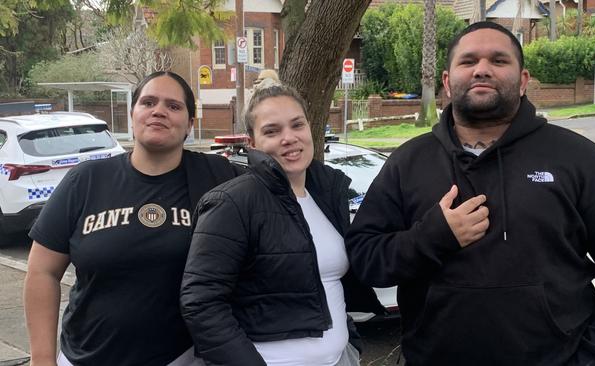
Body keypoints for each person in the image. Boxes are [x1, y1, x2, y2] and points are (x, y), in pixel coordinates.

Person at [345, 21, 595, 366]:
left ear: (523, 81)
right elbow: (365, 259)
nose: (482, 70)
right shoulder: (408, 162)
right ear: (447, 82)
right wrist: (432, 237)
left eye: (499, 61)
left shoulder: (578, 159)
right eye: (468, 61)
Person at [23, 71, 240, 366]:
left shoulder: (218, 179)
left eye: (173, 106)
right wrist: (42, 359)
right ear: (132, 114)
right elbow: (42, 273)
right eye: (148, 102)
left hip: (180, 358)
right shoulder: (86, 180)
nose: (159, 111)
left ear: (190, 123)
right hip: (85, 356)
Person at [180, 83, 384, 366]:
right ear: (252, 142)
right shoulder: (232, 203)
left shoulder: (326, 193)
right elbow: (201, 303)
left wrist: (349, 341)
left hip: (341, 358)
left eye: (297, 125)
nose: (289, 138)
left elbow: (329, 283)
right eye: (272, 131)